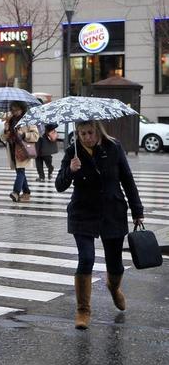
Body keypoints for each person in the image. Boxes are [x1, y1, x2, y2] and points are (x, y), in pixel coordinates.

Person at [55, 120, 144, 330]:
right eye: (82, 133)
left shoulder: (114, 147)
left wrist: (137, 210)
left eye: (90, 133)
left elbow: (128, 179)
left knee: (115, 264)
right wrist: (70, 169)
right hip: (83, 212)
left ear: (98, 131)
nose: (86, 137)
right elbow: (60, 185)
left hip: (112, 210)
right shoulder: (72, 152)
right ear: (77, 134)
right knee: (86, 258)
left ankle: (114, 288)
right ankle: (83, 310)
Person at [0, 101, 40, 203]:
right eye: (12, 109)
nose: (14, 112)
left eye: (16, 109)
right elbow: (3, 138)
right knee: (19, 171)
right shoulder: (9, 121)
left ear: (22, 109)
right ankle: (26, 192)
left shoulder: (28, 120)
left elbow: (36, 135)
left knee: (20, 171)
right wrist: (5, 131)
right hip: (13, 149)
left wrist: (24, 134)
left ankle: (16, 192)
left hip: (23, 149)